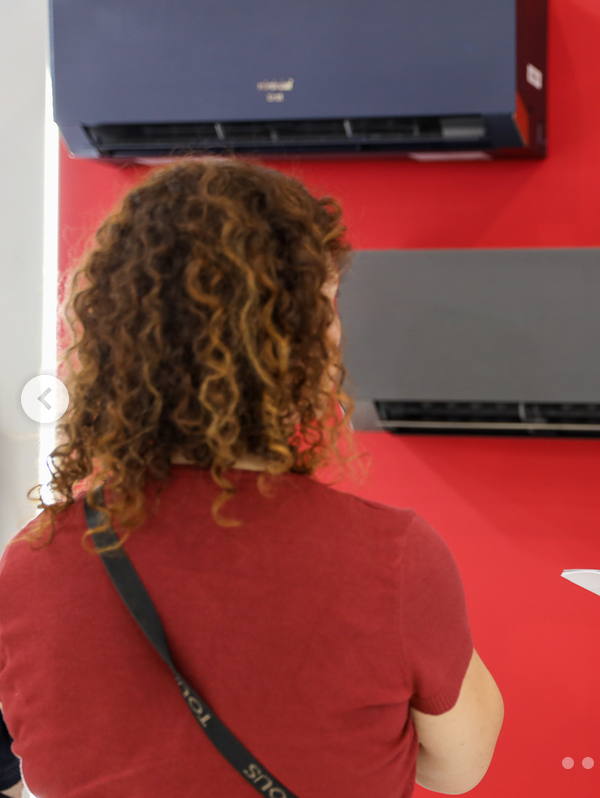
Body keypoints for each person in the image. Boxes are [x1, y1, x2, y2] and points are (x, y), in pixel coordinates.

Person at [0, 159, 503, 796]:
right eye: (323, 303)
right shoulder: (391, 560)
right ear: (295, 340)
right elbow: (459, 767)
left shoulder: (34, 564)